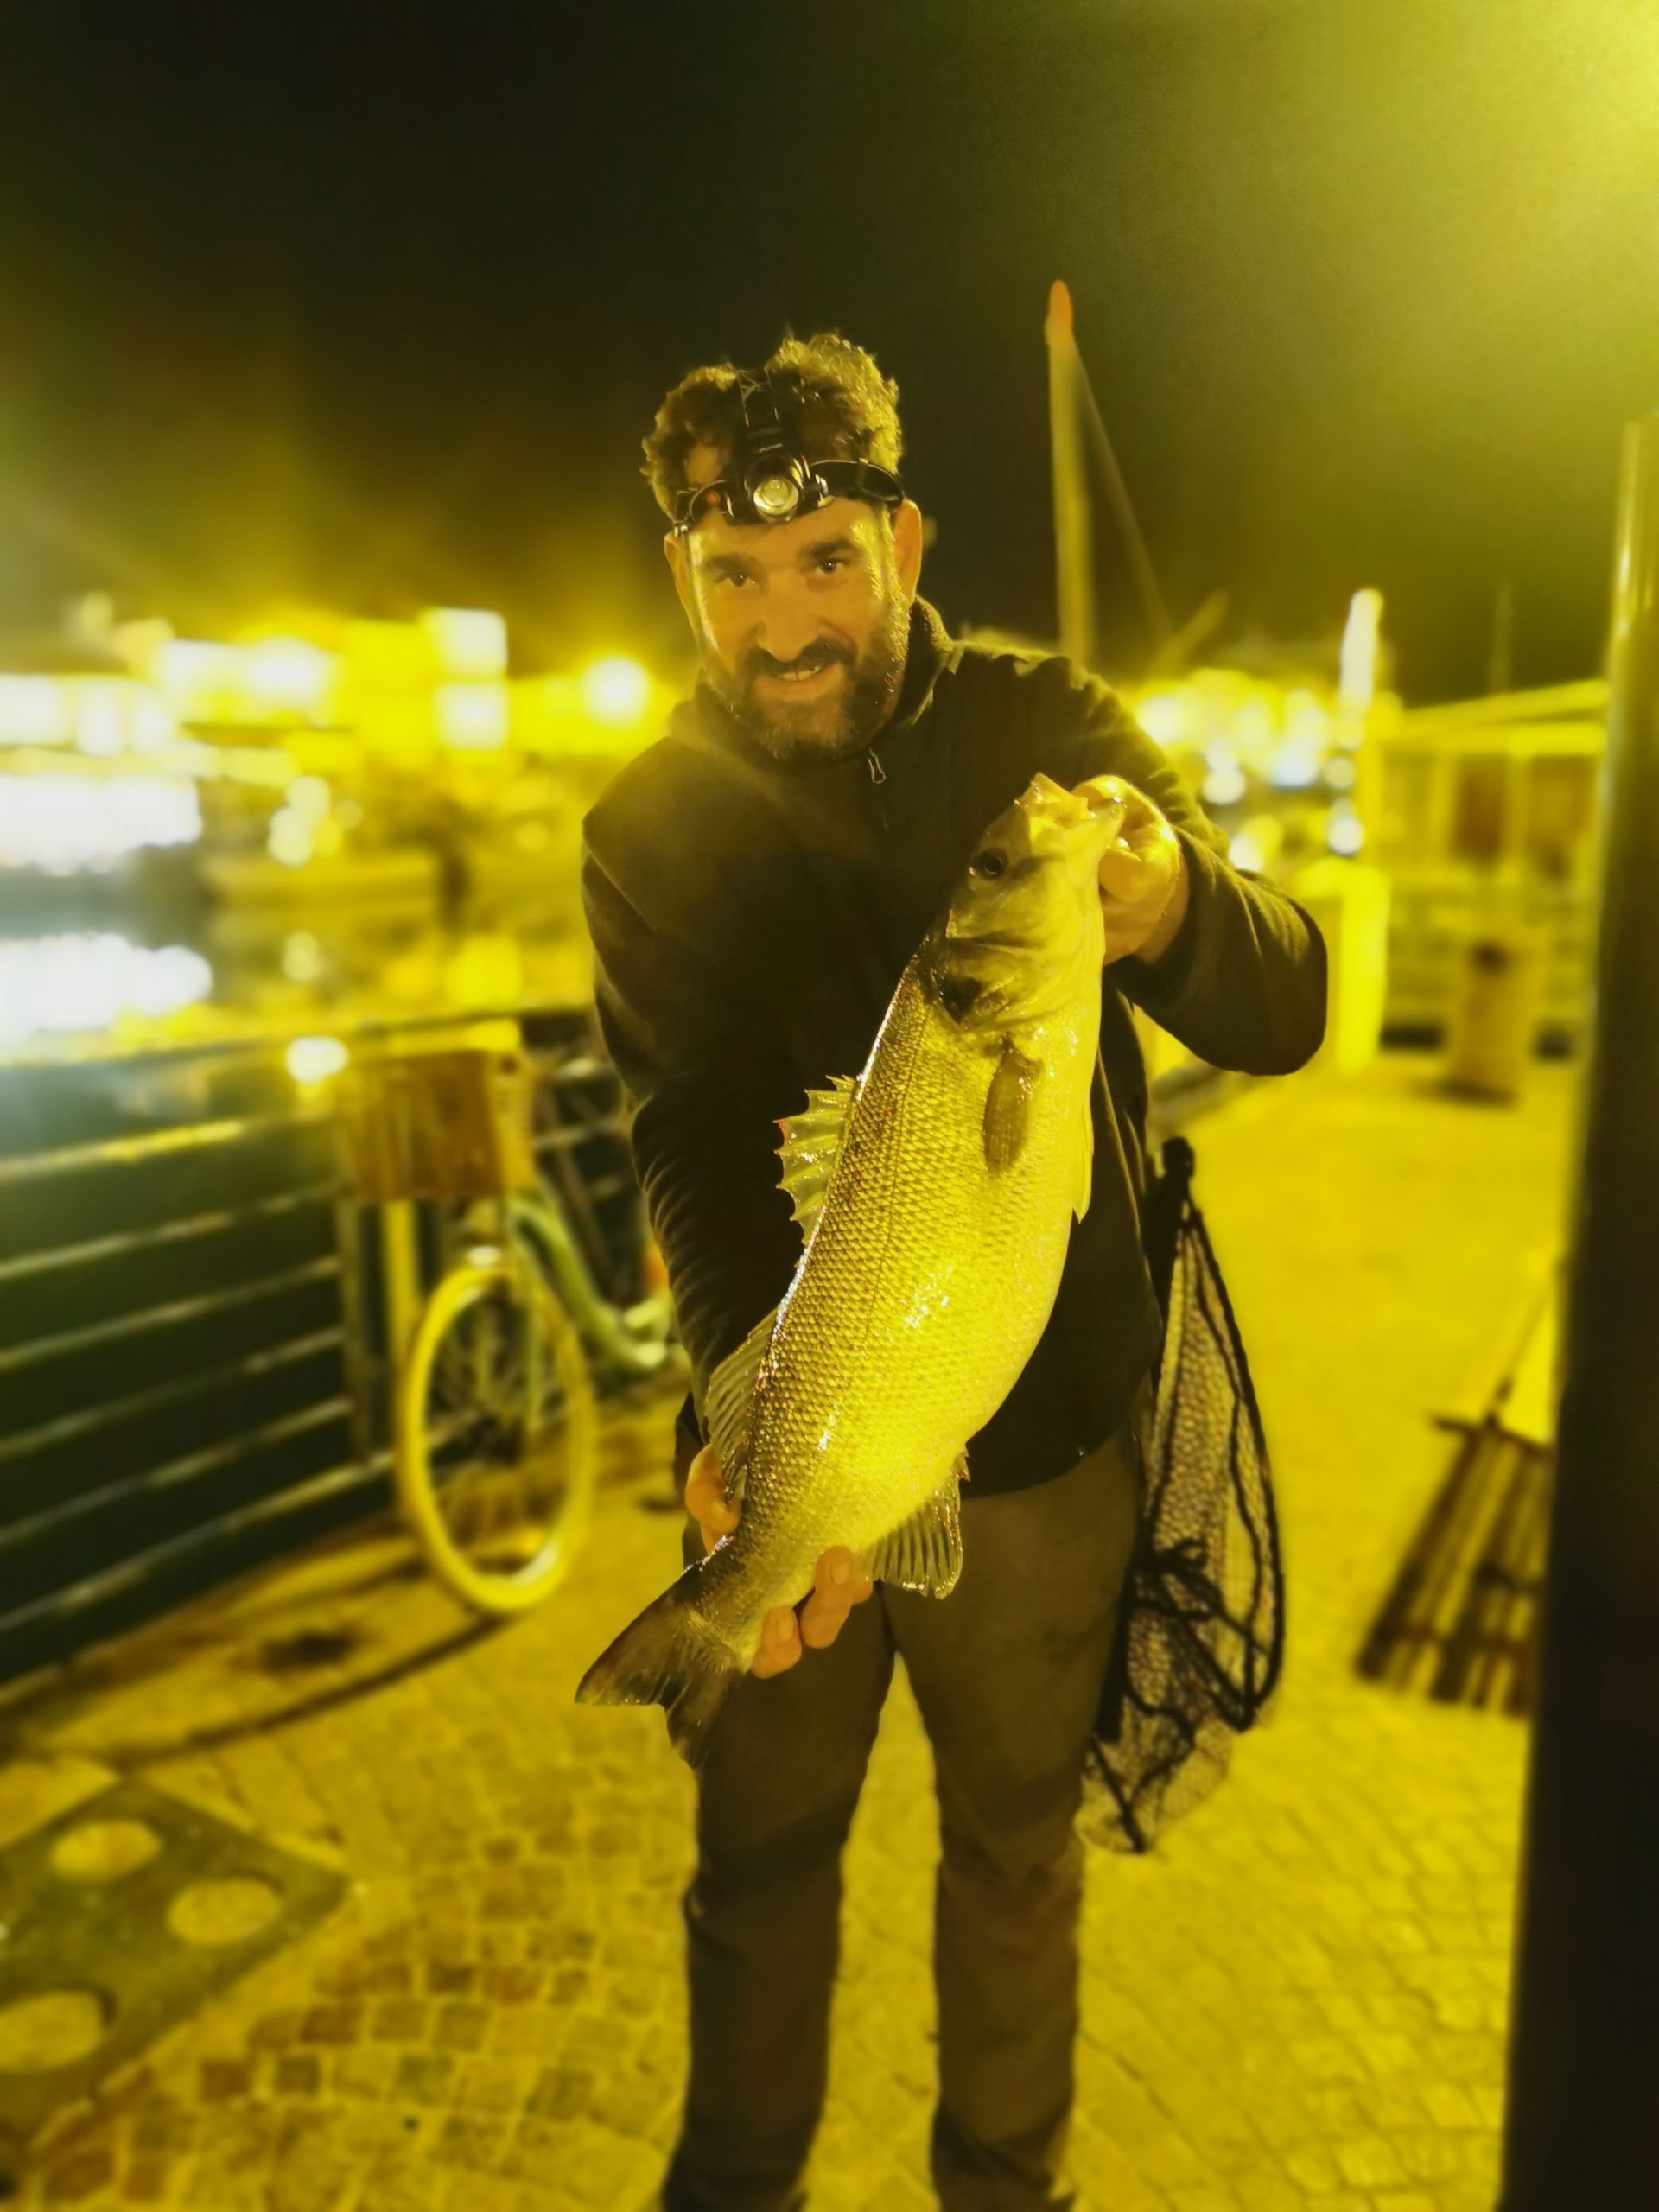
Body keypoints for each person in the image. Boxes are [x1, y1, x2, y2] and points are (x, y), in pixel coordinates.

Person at [581, 334, 1326, 2212]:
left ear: (905, 542)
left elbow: (1288, 995)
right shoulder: (644, 824)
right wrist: (757, 1415)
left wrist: (1168, 906)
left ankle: (1006, 2189)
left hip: (1050, 1454)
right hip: (809, 1438)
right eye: (735, 575)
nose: (783, 622)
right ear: (686, 577)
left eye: (824, 558)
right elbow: (690, 1126)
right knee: (757, 1856)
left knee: (1014, 1851)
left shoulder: (1052, 738)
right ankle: (733, 2183)